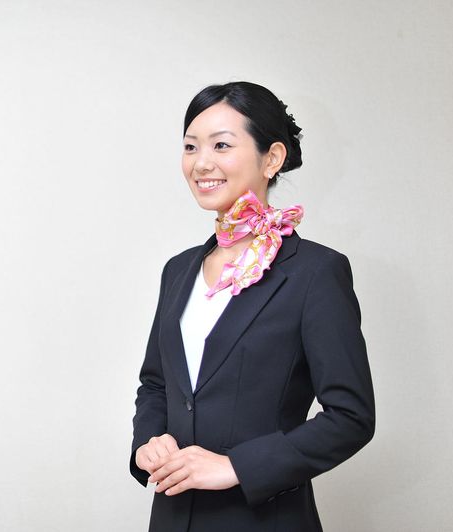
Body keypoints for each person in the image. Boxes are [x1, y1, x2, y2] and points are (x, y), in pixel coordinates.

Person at [129, 81, 375, 532]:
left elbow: (351, 417)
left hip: (264, 519)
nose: (201, 163)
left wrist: (237, 467)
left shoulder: (315, 272)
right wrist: (149, 441)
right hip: (172, 516)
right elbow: (157, 384)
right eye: (190, 146)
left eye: (221, 145)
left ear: (272, 158)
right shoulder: (178, 270)